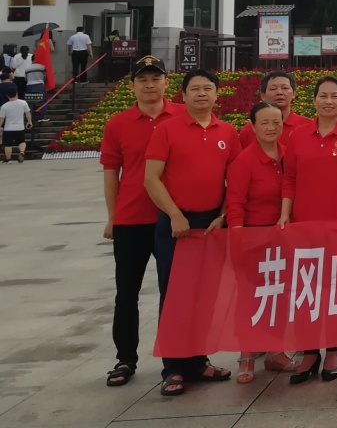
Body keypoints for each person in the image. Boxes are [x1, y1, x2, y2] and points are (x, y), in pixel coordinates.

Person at [143, 68, 241, 397]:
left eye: (207, 88)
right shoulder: (167, 130)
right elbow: (151, 179)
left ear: (216, 95)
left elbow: (235, 180)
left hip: (210, 225)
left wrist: (224, 215)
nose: (201, 94)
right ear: (182, 95)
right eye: (195, 89)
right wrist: (174, 215)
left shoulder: (227, 131)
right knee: (174, 295)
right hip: (176, 226)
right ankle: (172, 367)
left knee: (205, 294)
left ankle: (198, 361)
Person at [282, 75, 337, 384]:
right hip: (303, 225)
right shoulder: (298, 136)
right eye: (323, 95)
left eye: (335, 96)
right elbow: (289, 178)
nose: (329, 101)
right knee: (306, 289)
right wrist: (285, 214)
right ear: (314, 100)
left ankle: (332, 350)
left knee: (335, 289)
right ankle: (309, 351)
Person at [100, 56, 176, 387]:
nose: (149, 84)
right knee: (127, 292)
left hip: (172, 219)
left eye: (155, 78)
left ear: (166, 83)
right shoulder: (117, 124)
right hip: (132, 219)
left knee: (174, 293)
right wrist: (112, 216)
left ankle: (180, 356)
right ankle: (125, 359)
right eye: (142, 79)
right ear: (131, 85)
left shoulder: (183, 116)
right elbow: (111, 173)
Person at [225, 101, 297, 382]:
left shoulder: (289, 155)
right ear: (252, 127)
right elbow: (234, 204)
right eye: (264, 122)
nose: (271, 127)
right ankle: (246, 355)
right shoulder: (243, 162)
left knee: (280, 294)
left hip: (283, 238)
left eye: (276, 122)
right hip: (253, 238)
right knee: (249, 297)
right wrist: (239, 239)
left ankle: (274, 352)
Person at [239, 70, 312, 148]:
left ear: (294, 93)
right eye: (273, 89)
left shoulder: (308, 126)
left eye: (285, 88)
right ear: (263, 95)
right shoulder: (249, 130)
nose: (279, 92)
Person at [1, 83, 31, 163]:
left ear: (7, 96)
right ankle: (22, 152)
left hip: (8, 128)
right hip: (20, 127)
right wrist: (29, 121)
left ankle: (8, 159)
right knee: (21, 141)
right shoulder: (23, 103)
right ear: (16, 93)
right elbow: (27, 113)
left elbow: (1, 118)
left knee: (7, 144)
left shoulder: (4, 106)